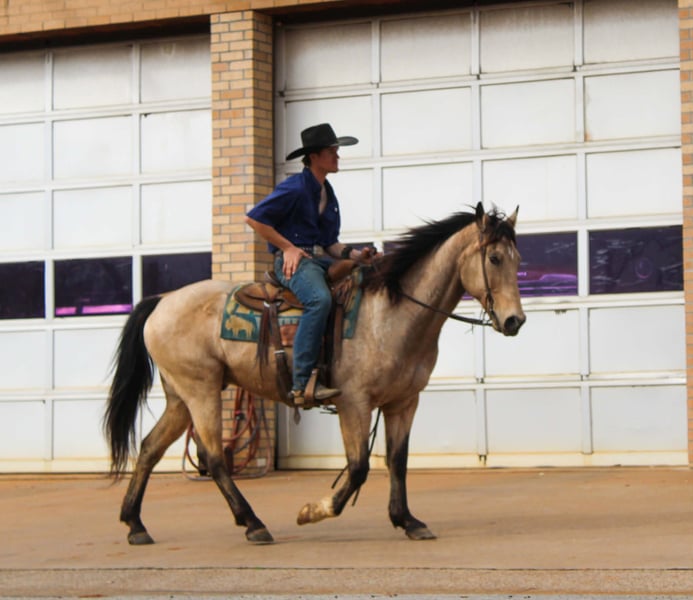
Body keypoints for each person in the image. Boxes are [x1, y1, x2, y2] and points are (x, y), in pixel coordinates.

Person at [245, 123, 375, 406]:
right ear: (314, 157)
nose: (337, 156)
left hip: (319, 261)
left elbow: (331, 244)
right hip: (294, 264)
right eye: (332, 152)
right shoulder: (294, 187)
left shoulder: (327, 192)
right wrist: (288, 248)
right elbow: (254, 219)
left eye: (337, 151)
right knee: (319, 300)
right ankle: (302, 383)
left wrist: (356, 255)